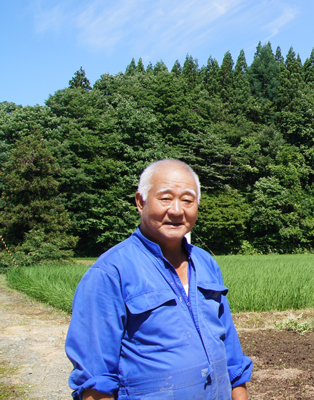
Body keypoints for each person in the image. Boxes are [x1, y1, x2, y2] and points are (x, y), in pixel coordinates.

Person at [65, 159, 252, 400]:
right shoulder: (111, 273)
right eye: (165, 198)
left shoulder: (206, 263)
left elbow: (231, 354)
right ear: (140, 202)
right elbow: (95, 380)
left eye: (187, 200)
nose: (176, 210)